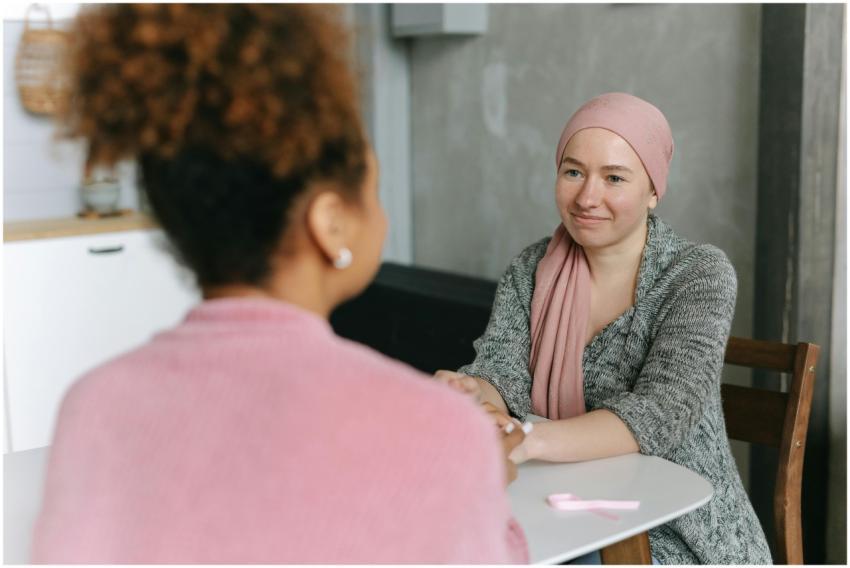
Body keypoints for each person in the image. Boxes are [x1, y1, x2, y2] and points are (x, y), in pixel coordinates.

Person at [31, 5, 527, 563]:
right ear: (329, 223)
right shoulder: (441, 433)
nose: (382, 216)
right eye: (373, 189)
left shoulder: (94, 409)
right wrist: (484, 485)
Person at [437, 92, 772, 564]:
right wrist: (473, 395)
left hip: (676, 530)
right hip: (556, 508)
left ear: (654, 190)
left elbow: (659, 412)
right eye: (573, 172)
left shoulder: (697, 274)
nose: (587, 197)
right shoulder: (532, 268)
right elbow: (499, 374)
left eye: (614, 178)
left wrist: (523, 440)